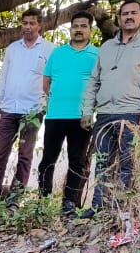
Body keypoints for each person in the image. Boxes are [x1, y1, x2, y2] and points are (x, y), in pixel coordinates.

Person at [81, 0, 140, 213]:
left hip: (132, 112)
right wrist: (87, 111)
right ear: (118, 19)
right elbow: (93, 81)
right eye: (124, 13)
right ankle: (99, 206)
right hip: (105, 113)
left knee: (128, 161)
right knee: (102, 162)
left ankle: (123, 207)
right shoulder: (106, 47)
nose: (128, 17)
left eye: (133, 13)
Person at [0, 9, 54, 201]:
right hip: (8, 109)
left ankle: (15, 198)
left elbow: (53, 81)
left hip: (32, 111)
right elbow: (2, 79)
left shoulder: (49, 49)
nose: (28, 27)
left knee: (24, 156)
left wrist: (46, 106)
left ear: (39, 26)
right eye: (25, 23)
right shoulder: (12, 49)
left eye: (32, 23)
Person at [37, 11, 98, 215]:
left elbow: (99, 84)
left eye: (83, 26)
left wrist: (89, 109)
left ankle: (69, 203)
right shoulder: (58, 52)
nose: (78, 29)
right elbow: (46, 82)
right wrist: (57, 98)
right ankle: (43, 201)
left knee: (77, 161)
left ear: (90, 30)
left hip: (82, 116)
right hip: (55, 115)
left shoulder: (96, 55)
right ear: (70, 29)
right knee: (48, 159)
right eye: (75, 26)